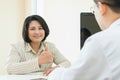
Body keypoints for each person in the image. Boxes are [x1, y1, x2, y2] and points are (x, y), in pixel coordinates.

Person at [48, 0, 120, 80]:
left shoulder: (100, 42)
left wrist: (54, 73)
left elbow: (72, 78)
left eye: (93, 10)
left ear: (101, 8)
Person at [6, 15, 71, 75]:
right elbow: (10, 68)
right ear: (26, 31)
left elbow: (67, 63)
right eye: (32, 29)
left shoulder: (50, 46)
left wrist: (57, 68)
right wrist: (38, 61)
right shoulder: (16, 47)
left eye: (40, 28)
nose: (37, 32)